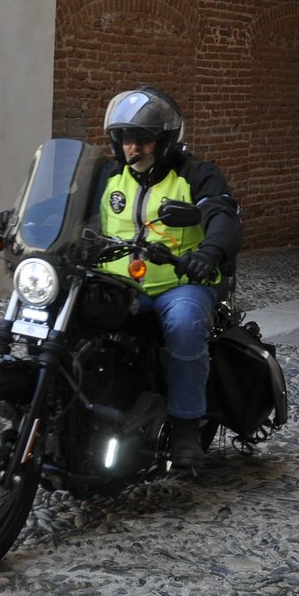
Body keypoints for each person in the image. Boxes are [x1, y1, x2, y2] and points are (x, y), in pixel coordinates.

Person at [98, 87, 241, 471]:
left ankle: (185, 427)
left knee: (184, 325)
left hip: (178, 284)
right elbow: (60, 205)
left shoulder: (197, 175)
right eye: (126, 139)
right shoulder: (110, 176)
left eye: (143, 139)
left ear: (165, 141)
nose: (133, 148)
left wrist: (208, 253)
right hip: (118, 284)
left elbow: (223, 217)